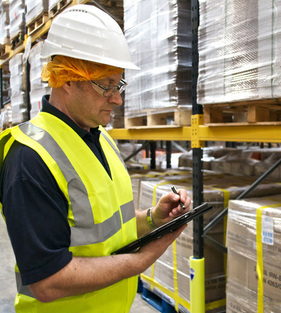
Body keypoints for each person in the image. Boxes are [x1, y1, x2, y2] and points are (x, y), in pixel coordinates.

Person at [0, 4, 191, 312]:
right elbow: (48, 281)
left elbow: (104, 230)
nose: (117, 99)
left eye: (119, 85)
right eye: (106, 87)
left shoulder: (100, 137)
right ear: (67, 80)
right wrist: (141, 260)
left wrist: (154, 217)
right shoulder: (29, 160)